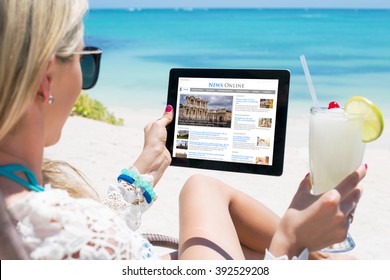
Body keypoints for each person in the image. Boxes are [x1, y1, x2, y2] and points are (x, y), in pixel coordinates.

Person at [0, 0, 365, 260]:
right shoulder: (74, 229)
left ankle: (323, 256)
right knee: (248, 242)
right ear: (46, 81)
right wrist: (289, 242)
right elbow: (93, 237)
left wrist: (143, 170)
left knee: (201, 186)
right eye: (87, 62)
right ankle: (319, 253)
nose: (84, 82)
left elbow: (89, 239)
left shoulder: (25, 215)